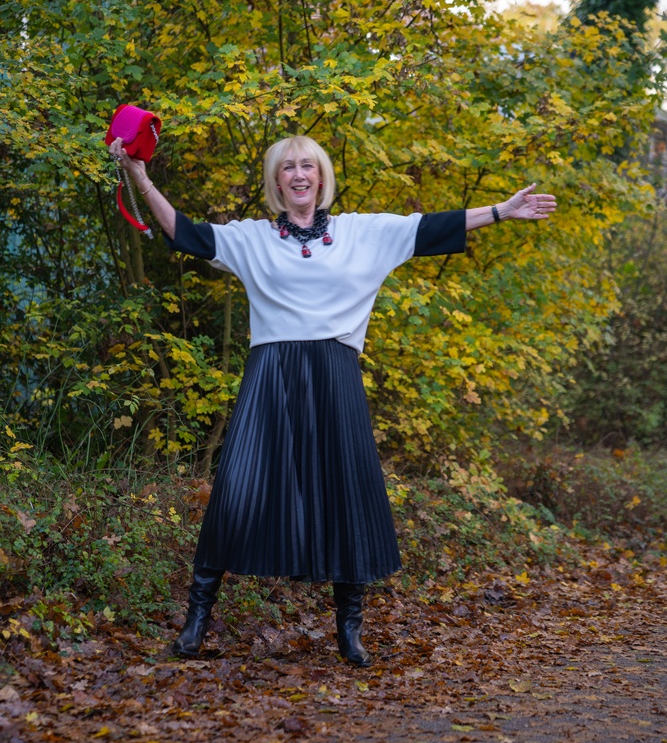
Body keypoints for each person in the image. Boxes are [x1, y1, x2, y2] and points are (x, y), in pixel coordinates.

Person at [109, 134, 556, 666]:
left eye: (308, 166)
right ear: (277, 182)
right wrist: (139, 176)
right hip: (271, 374)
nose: (299, 174)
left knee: (345, 493)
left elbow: (434, 226)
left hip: (336, 373)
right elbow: (185, 233)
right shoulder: (251, 239)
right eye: (288, 168)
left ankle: (349, 633)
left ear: (321, 177)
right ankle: (195, 625)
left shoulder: (364, 233)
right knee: (236, 491)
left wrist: (502, 212)